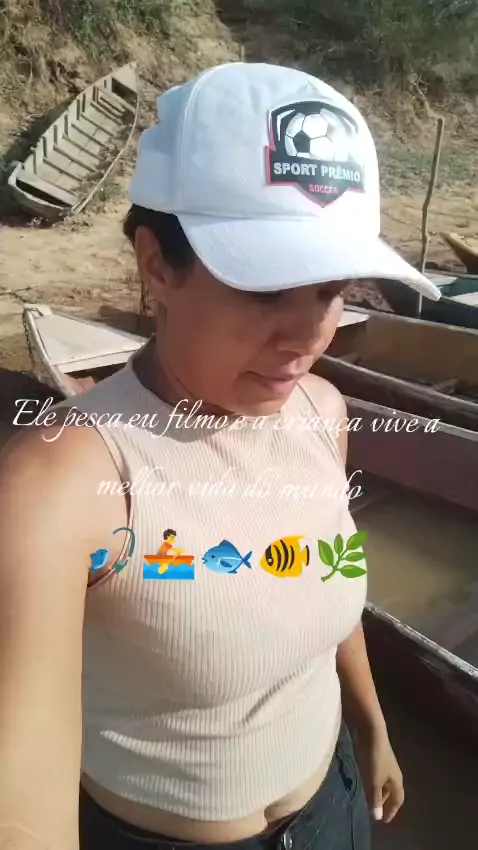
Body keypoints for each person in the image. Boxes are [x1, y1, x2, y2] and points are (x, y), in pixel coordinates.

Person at [0, 62, 440, 850]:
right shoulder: (68, 480)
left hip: (333, 802)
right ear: (157, 264)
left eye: (331, 289)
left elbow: (327, 572)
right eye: (268, 288)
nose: (311, 335)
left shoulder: (321, 414)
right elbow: (21, 790)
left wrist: (370, 723)